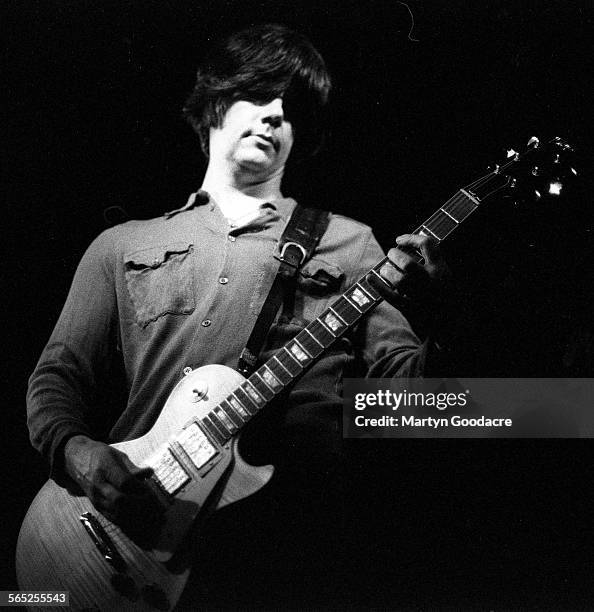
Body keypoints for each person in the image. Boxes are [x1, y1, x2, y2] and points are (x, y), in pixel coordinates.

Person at [26, 23, 453, 606]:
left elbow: (411, 408)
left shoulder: (354, 246)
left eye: (293, 108)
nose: (276, 113)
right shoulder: (121, 245)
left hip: (287, 555)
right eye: (258, 93)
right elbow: (55, 380)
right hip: (132, 537)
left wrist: (439, 318)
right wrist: (81, 456)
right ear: (212, 106)